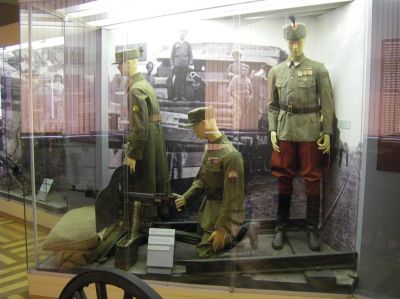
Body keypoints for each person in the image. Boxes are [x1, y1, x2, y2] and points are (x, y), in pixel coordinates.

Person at [267, 17, 334, 251]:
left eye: (298, 42)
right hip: (285, 132)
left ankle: (311, 230)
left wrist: (327, 133)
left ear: (304, 41)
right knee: (283, 180)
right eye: (291, 43)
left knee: (312, 180)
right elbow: (272, 105)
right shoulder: (276, 72)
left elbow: (327, 103)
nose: (295, 47)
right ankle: (280, 228)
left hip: (309, 132)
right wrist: (273, 129)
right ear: (287, 43)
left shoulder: (318, 68)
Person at [174, 106, 246, 258]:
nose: (193, 131)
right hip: (208, 213)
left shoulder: (230, 155)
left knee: (205, 254)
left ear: (204, 124)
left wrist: (222, 229)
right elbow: (202, 179)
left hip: (223, 217)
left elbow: (233, 199)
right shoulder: (212, 148)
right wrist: (186, 197)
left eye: (194, 126)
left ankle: (234, 234)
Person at [113, 48, 170, 222]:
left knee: (144, 181)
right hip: (155, 138)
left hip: (145, 141)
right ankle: (160, 215)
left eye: (120, 64)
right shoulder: (145, 85)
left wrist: (132, 154)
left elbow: (139, 127)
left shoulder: (136, 90)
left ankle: (145, 222)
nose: (118, 68)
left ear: (129, 63)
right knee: (157, 178)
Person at [227, 64, 254, 130]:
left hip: (246, 103)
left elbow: (251, 92)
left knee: (244, 118)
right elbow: (229, 90)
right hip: (237, 102)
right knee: (237, 117)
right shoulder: (235, 78)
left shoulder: (248, 80)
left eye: (245, 70)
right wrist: (235, 97)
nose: (244, 71)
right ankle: (236, 133)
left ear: (248, 71)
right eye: (242, 70)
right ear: (240, 70)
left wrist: (250, 98)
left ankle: (242, 133)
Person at [170, 29, 193, 101]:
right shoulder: (175, 44)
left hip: (185, 65)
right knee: (177, 80)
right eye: (181, 34)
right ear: (179, 35)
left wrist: (190, 64)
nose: (182, 35)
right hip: (177, 65)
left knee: (183, 80)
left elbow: (191, 55)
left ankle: (182, 96)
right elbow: (172, 55)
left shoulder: (187, 44)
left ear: (185, 35)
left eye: (183, 34)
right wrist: (172, 64)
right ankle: (177, 96)